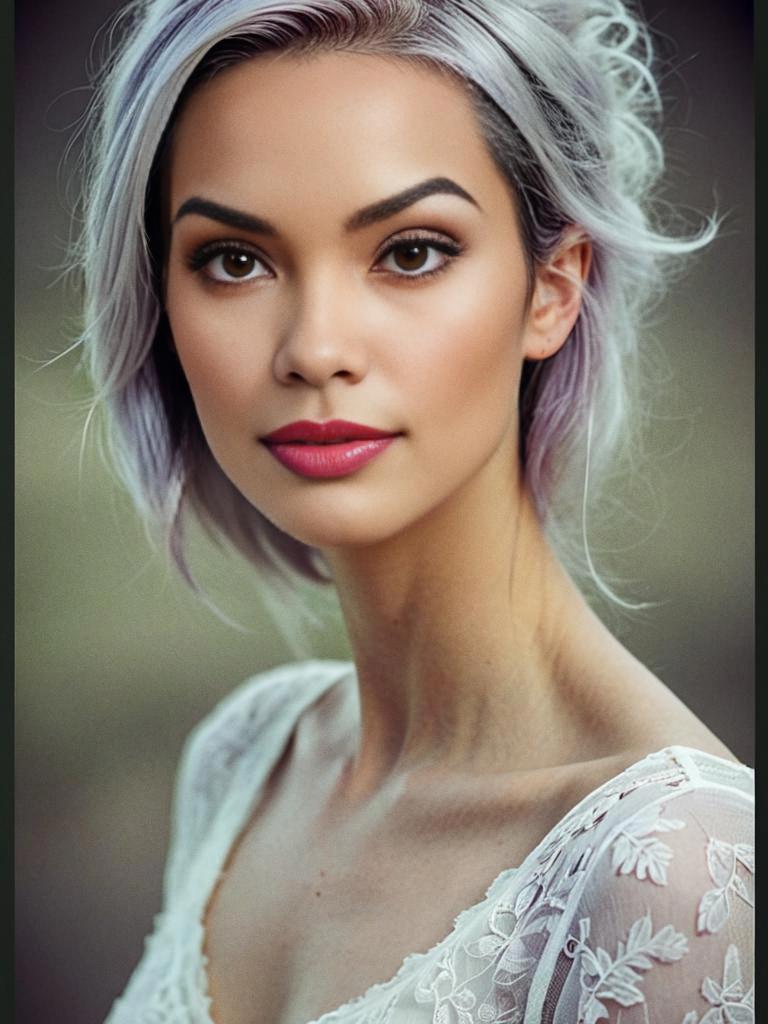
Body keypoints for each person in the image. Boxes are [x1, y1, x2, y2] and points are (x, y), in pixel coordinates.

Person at [74, 1, 753, 1021]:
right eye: (235, 259)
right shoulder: (247, 757)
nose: (314, 346)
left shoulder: (679, 873)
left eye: (411, 250)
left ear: (552, 289)